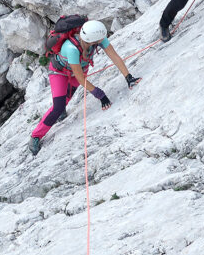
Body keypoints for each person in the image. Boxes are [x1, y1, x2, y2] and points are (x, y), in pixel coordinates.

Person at [29, 20, 140, 156]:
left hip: (78, 70)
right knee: (57, 107)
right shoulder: (72, 49)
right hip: (59, 72)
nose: (103, 40)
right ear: (93, 41)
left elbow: (114, 56)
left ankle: (62, 109)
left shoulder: (97, 39)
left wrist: (128, 77)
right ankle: (36, 136)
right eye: (100, 39)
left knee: (66, 99)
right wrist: (100, 95)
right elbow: (81, 79)